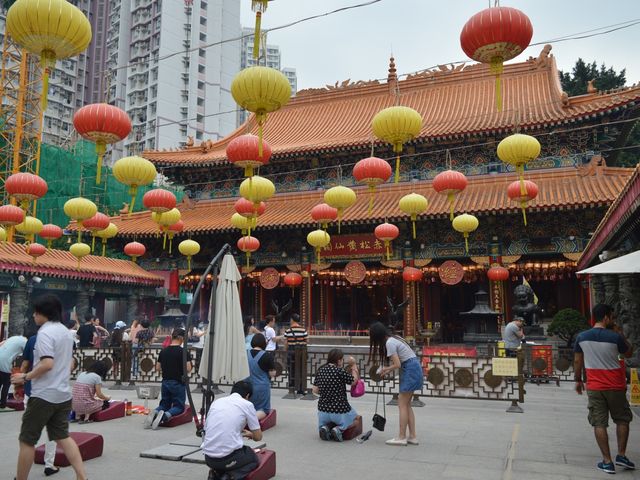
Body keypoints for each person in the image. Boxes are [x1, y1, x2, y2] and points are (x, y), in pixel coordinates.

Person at [11, 294, 88, 480]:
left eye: (35, 313)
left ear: (42, 313)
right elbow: (70, 363)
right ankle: (82, 477)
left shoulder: (44, 334)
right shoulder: (65, 332)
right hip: (62, 395)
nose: (33, 316)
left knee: (27, 441)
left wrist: (25, 377)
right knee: (63, 437)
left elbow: (47, 363)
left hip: (43, 395)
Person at [574, 303, 635, 474]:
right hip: (616, 385)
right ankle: (621, 455)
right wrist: (620, 334)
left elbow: (578, 361)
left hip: (594, 386)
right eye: (612, 316)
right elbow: (629, 353)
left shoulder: (582, 337)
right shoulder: (615, 337)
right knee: (622, 419)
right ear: (607, 317)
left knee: (599, 423)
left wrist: (578, 380)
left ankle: (607, 461)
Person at [369, 321, 422, 446]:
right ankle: (412, 436)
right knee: (407, 404)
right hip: (413, 367)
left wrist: (385, 370)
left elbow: (397, 364)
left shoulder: (389, 343)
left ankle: (401, 437)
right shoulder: (394, 338)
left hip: (409, 369)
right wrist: (386, 369)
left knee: (402, 403)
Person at [202, 380, 262, 480]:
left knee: (230, 455)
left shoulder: (217, 402)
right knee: (253, 459)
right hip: (228, 459)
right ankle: (230, 476)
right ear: (247, 396)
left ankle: (215, 473)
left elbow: (207, 429)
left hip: (208, 459)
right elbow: (258, 437)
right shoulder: (247, 405)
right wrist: (251, 434)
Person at [20, 323, 59, 477]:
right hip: (51, 393)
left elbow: (24, 365)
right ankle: (49, 465)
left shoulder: (32, 340)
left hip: (32, 391)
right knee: (52, 432)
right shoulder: (60, 341)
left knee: (28, 435)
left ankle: (22, 473)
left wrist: (21, 383)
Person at [145, 327, 192, 429]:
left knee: (164, 404)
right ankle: (165, 416)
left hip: (165, 382)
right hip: (178, 382)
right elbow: (188, 368)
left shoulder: (164, 351)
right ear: (181, 338)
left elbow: (157, 368)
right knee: (179, 407)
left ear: (172, 337)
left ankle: (155, 412)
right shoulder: (183, 352)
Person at [312, 348, 359, 442]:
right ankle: (339, 429)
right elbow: (353, 381)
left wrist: (326, 391)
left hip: (323, 410)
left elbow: (315, 390)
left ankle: (325, 427)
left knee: (331, 419)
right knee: (356, 418)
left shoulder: (321, 370)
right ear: (339, 360)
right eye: (342, 359)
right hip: (339, 410)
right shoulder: (339, 371)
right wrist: (353, 365)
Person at [246, 333, 276, 420]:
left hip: (247, 386)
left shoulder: (245, 353)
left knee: (247, 407)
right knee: (263, 409)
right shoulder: (267, 355)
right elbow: (272, 373)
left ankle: (242, 418)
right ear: (264, 343)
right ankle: (250, 420)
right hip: (261, 387)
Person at [0, 331, 27, 411]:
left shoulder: (13, 338)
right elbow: (27, 357)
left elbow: (2, 344)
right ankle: (2, 404)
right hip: (4, 361)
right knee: (6, 384)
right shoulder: (25, 342)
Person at [284, 313, 308, 395]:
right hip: (301, 352)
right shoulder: (303, 330)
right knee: (301, 369)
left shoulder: (288, 331)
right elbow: (307, 341)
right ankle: (300, 389)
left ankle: (292, 387)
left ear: (292, 320)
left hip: (291, 352)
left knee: (291, 369)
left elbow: (286, 343)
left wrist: (286, 351)